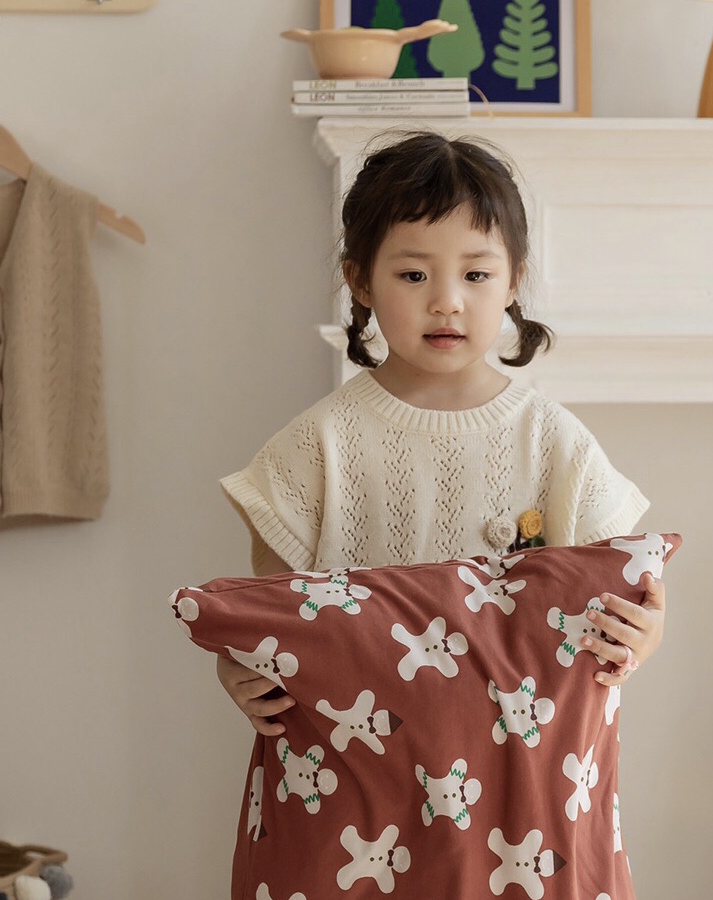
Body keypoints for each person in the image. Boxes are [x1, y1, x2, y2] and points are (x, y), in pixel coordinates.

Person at [217, 130, 666, 735]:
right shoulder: (319, 444)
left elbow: (621, 591)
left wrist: (646, 632)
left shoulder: (552, 439)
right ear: (360, 280)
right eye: (413, 276)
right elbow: (266, 615)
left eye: (476, 275)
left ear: (513, 283)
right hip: (362, 770)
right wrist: (237, 666)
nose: (447, 302)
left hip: (518, 771)